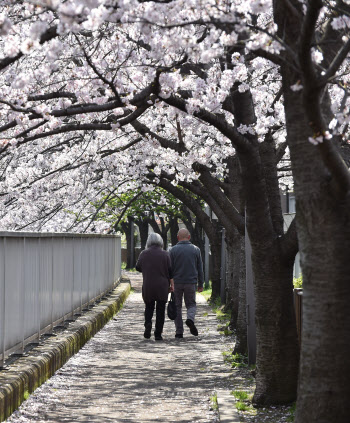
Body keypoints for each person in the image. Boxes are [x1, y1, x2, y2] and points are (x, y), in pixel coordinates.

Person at [136, 233, 174, 341]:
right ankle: (158, 334)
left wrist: (147, 268)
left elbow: (137, 267)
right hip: (162, 286)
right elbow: (170, 271)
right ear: (160, 241)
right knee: (160, 310)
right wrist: (172, 285)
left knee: (149, 307)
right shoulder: (165, 254)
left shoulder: (144, 253)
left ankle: (148, 324)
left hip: (149, 285)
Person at [170, 228, 204, 338]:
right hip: (191, 282)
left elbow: (169, 268)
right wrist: (201, 283)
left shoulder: (172, 250)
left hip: (177, 283)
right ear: (189, 237)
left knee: (177, 306)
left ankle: (179, 332)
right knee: (191, 304)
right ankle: (190, 319)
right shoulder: (196, 249)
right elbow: (200, 268)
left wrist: (169, 284)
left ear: (178, 237)